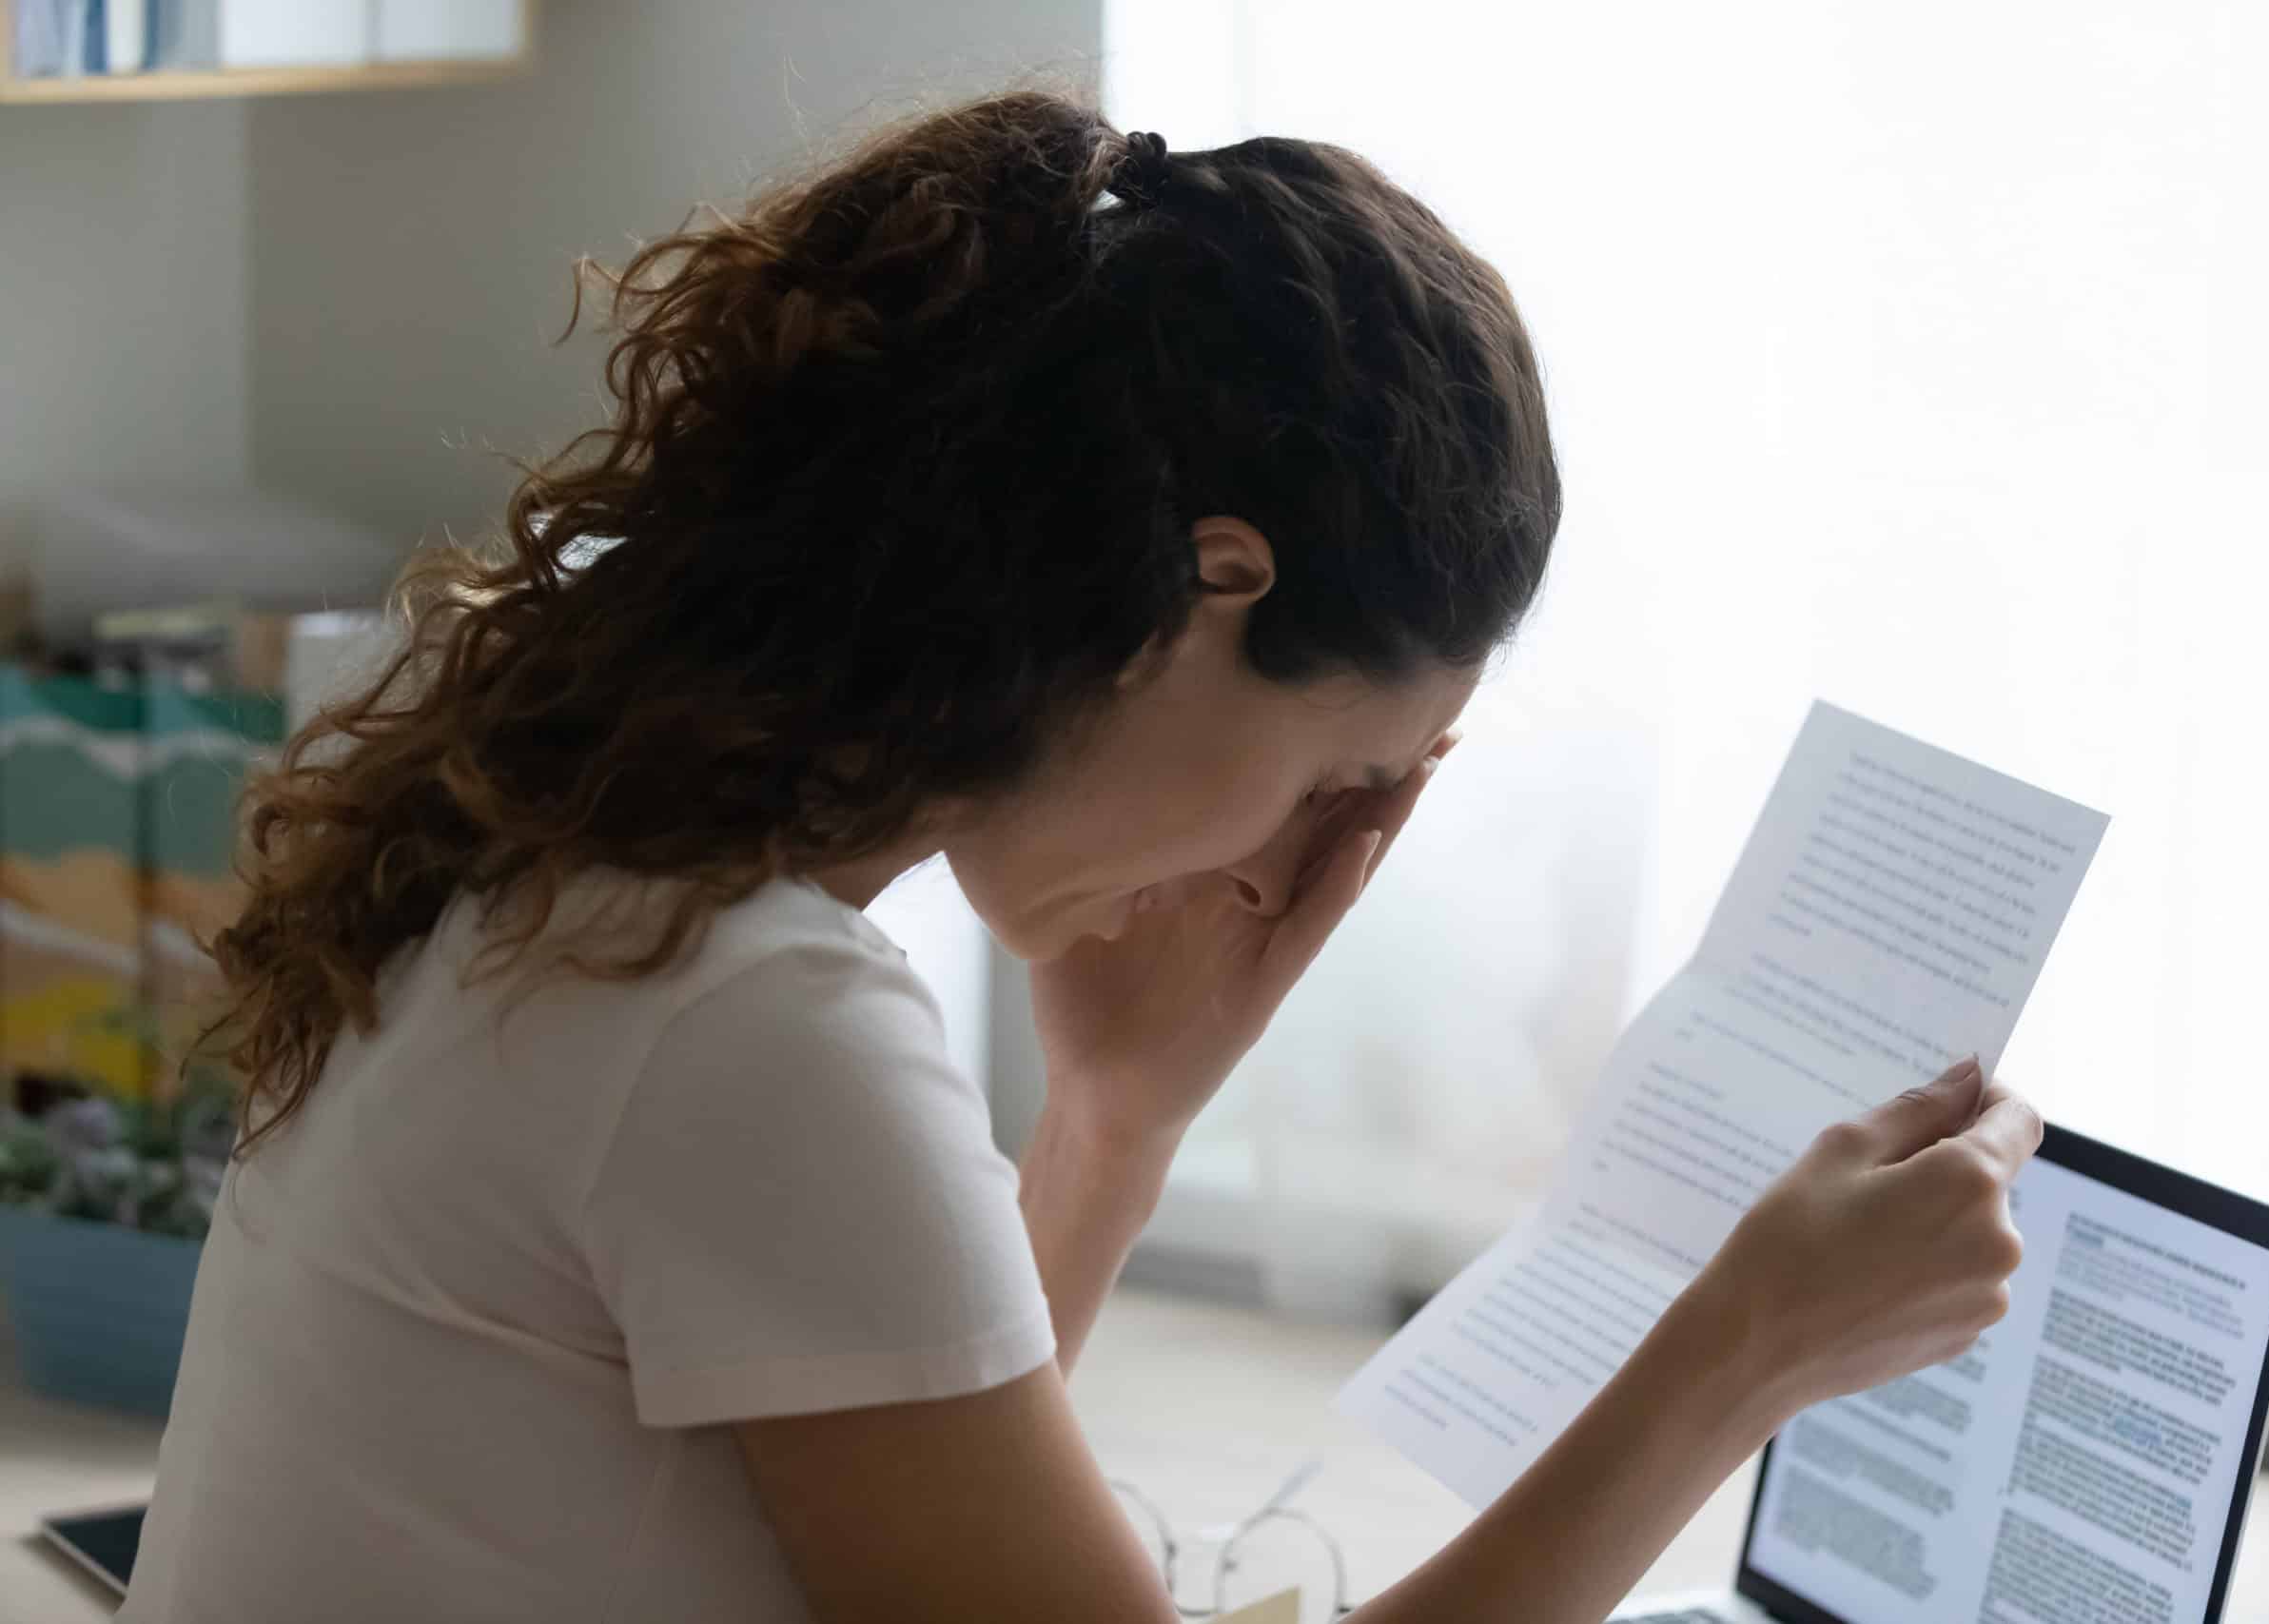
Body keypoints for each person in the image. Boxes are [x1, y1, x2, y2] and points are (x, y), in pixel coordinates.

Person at [123, 89, 2038, 1624]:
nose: (1297, 854)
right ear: (1206, 589)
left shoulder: (603, 866)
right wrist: (1734, 1355)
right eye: (1336, 771)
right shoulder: (749, 1013)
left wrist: (1112, 1122)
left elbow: (908, 1491)